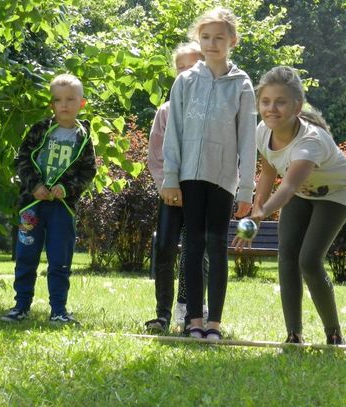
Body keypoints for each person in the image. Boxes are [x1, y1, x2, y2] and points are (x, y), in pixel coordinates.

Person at [233, 66, 346, 345]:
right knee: (287, 256)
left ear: (296, 106)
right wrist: (257, 209)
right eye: (265, 102)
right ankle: (293, 334)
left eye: (280, 102)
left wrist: (262, 212)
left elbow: (287, 186)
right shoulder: (263, 132)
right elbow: (267, 173)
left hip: (334, 193)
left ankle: (334, 334)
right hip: (301, 194)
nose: (271, 108)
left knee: (310, 260)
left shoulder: (310, 141)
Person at [161, 7, 257, 340]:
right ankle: (193, 320)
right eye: (205, 37)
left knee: (216, 247)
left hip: (223, 179)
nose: (212, 43)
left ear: (233, 40)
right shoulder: (185, 81)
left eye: (219, 37)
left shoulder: (242, 84)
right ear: (197, 40)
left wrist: (247, 188)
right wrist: (170, 177)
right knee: (192, 245)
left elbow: (247, 138)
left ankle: (213, 322)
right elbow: (173, 133)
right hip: (188, 175)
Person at [1, 73, 96, 324]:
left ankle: (58, 310)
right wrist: (34, 186)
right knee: (26, 255)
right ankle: (20, 306)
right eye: (57, 100)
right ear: (51, 104)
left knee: (60, 259)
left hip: (62, 209)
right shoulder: (40, 130)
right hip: (32, 206)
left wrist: (67, 189)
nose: (63, 105)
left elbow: (89, 171)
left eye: (70, 99)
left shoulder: (83, 137)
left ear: (81, 103)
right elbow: (21, 159)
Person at [145, 42, 209, 333]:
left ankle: (190, 309)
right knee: (165, 246)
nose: (186, 73)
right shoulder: (165, 111)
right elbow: (155, 156)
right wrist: (165, 186)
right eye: (180, 68)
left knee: (196, 251)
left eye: (193, 67)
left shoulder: (213, 109)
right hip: (171, 192)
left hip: (201, 192)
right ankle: (162, 314)